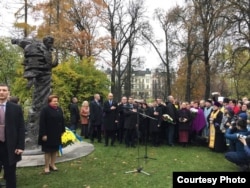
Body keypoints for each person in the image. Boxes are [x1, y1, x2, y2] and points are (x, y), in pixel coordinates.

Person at [11, 36, 59, 149]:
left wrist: (56, 59)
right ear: (44, 41)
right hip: (41, 77)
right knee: (39, 102)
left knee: (44, 99)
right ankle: (34, 134)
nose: (50, 44)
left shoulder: (49, 50)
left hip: (47, 77)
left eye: (51, 42)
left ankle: (39, 133)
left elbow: (50, 65)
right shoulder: (37, 48)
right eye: (48, 42)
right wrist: (16, 41)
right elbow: (33, 60)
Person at [0, 83, 25, 188]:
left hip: (10, 146)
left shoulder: (16, 108)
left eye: (4, 90)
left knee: (10, 173)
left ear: (8, 92)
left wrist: (20, 146)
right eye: (0, 90)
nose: (1, 92)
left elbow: (21, 128)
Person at [38, 94, 65, 174]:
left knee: (55, 150)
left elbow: (62, 120)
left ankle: (52, 164)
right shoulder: (45, 110)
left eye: (57, 101)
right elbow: (42, 123)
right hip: (48, 134)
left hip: (57, 133)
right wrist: (43, 134)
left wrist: (62, 131)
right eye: (54, 101)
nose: (56, 102)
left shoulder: (59, 109)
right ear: (50, 102)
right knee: (48, 151)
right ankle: (46, 167)